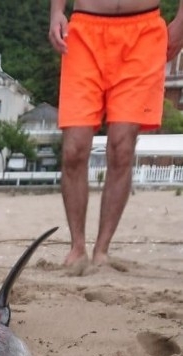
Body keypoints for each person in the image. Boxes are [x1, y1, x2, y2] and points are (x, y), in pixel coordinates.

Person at [49, 0, 183, 272]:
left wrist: (181, 22)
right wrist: (56, 12)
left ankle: (102, 250)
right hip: (85, 29)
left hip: (143, 31)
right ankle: (77, 247)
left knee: (122, 147)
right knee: (74, 149)